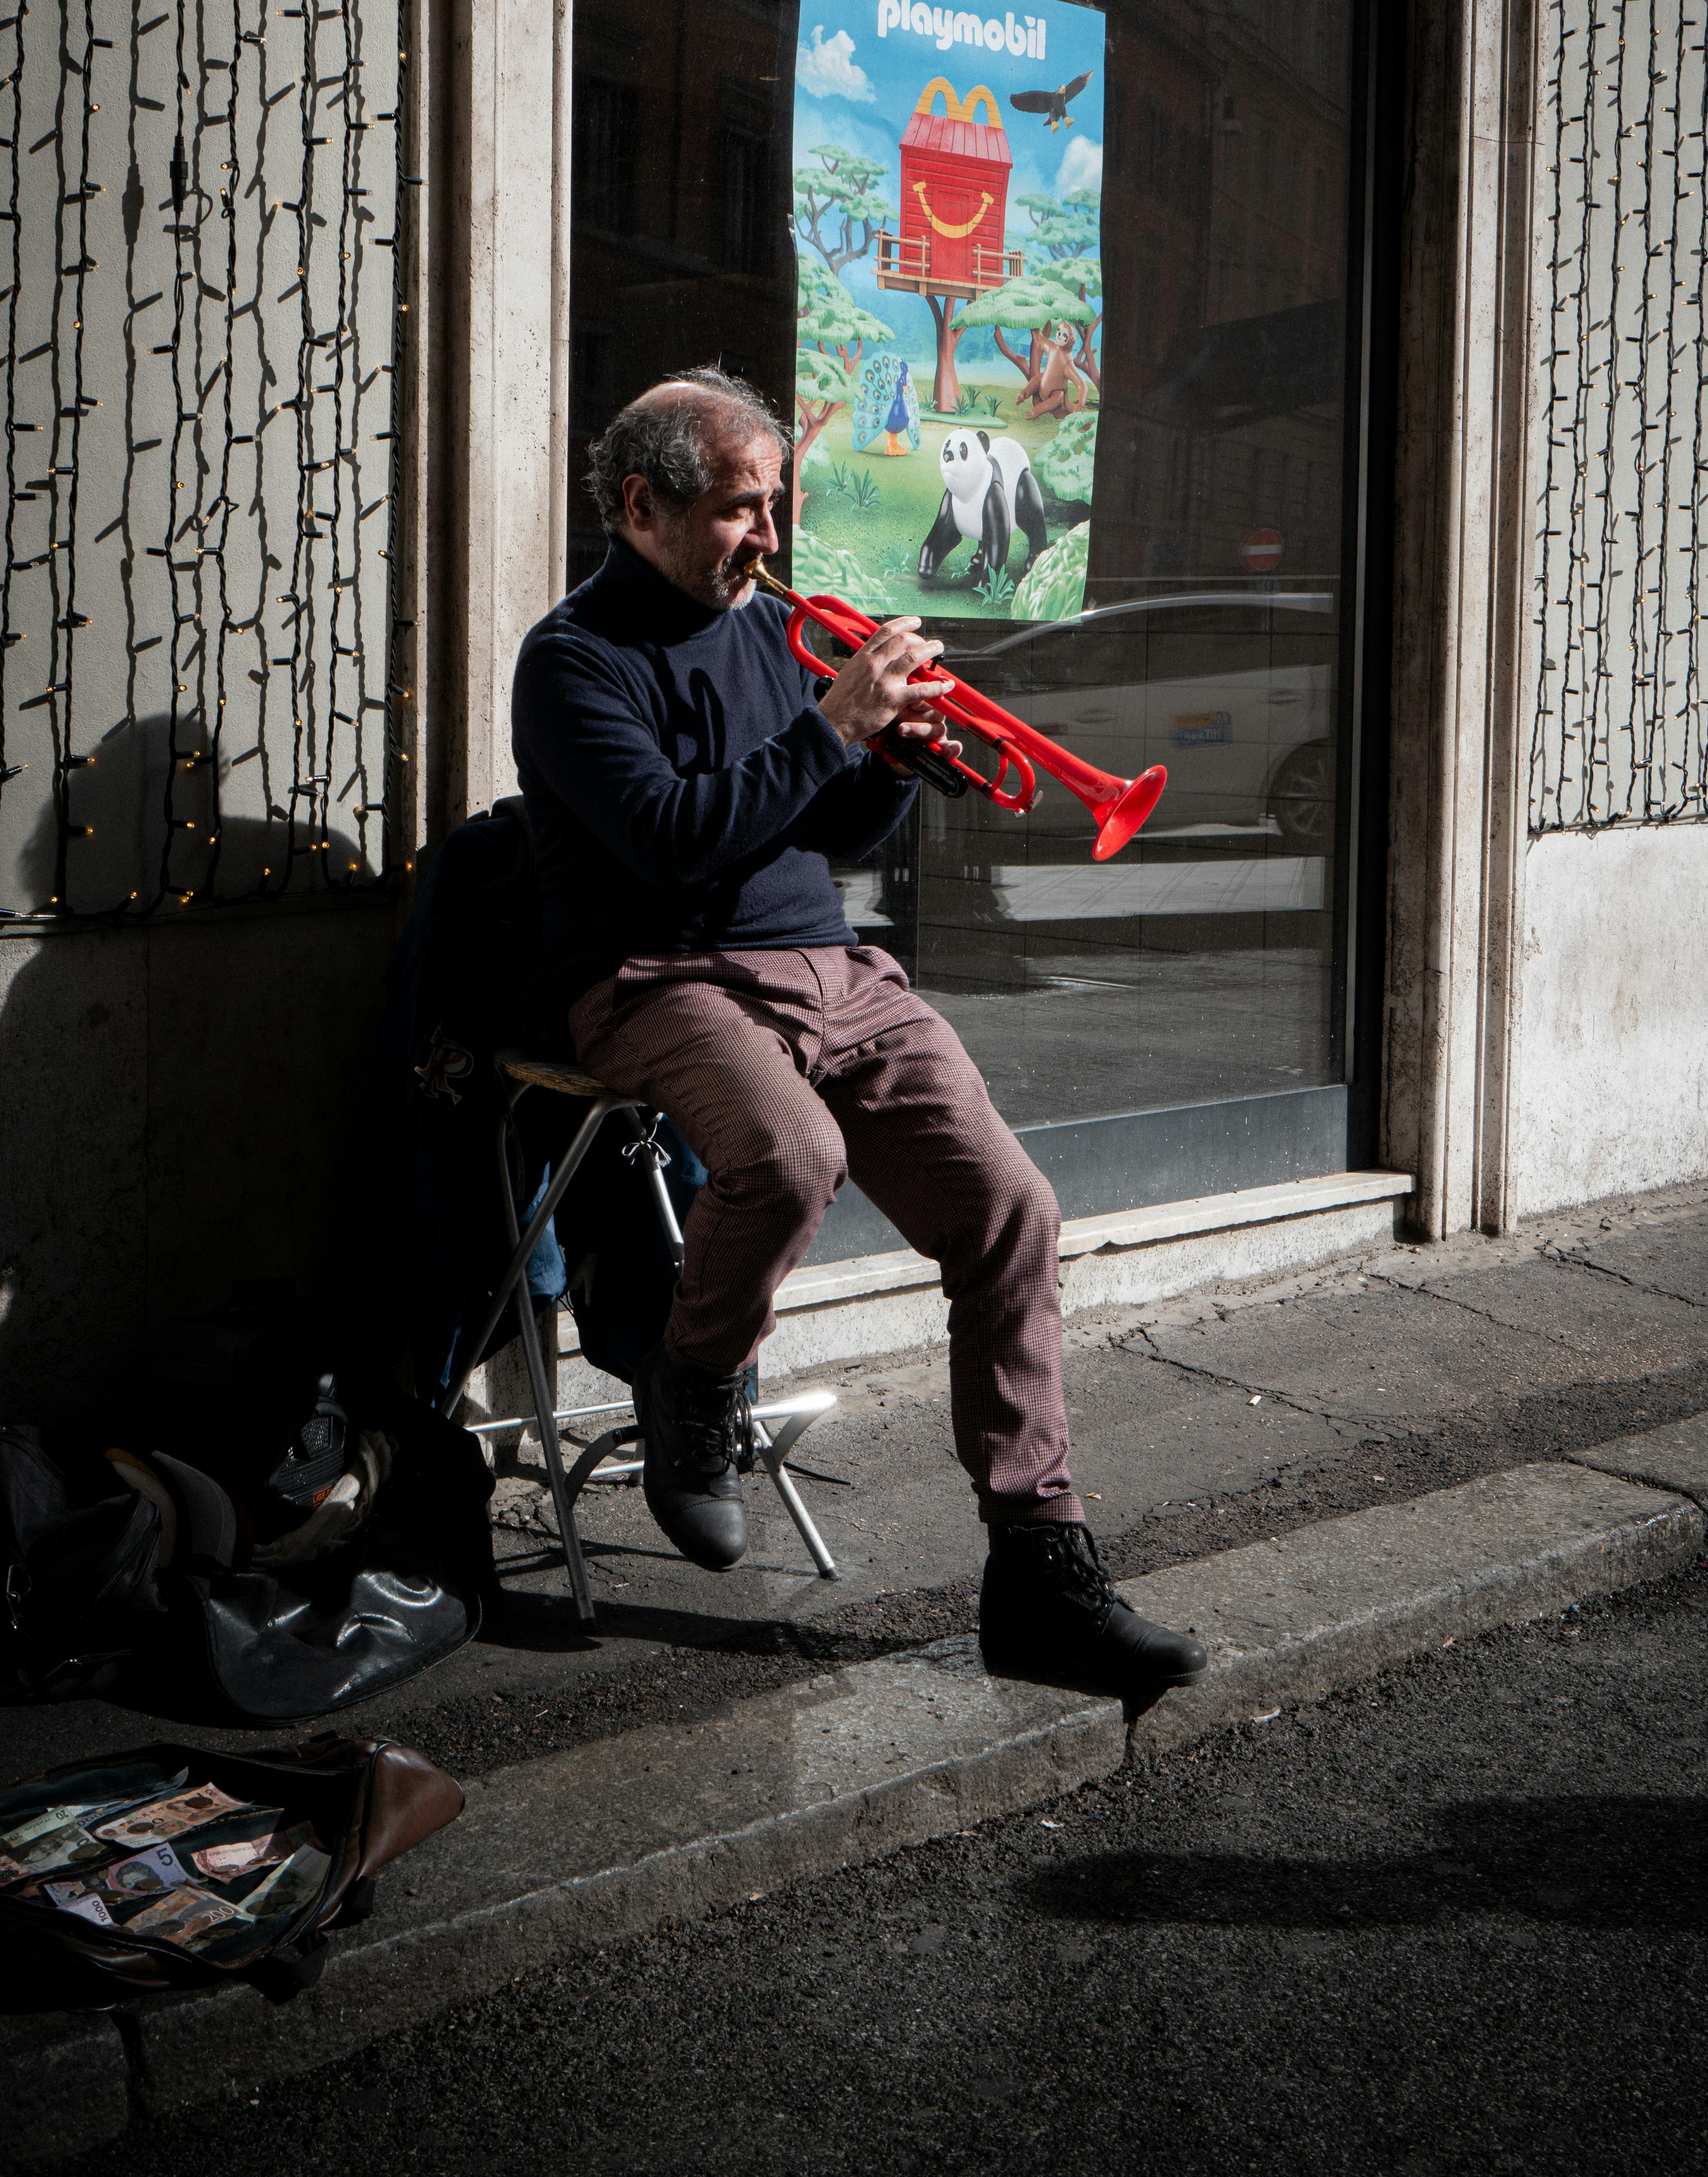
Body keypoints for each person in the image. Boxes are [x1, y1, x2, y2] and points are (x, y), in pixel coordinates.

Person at [509, 368, 1205, 1693]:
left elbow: (824, 830)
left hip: (829, 965)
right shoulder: (571, 660)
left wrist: (887, 758)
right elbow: (670, 839)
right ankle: (693, 1382)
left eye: (775, 504)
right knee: (791, 1159)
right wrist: (838, 723)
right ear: (642, 507)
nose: (769, 537)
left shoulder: (778, 629)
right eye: (739, 508)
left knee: (1011, 1207)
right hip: (657, 976)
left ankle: (1039, 1567)